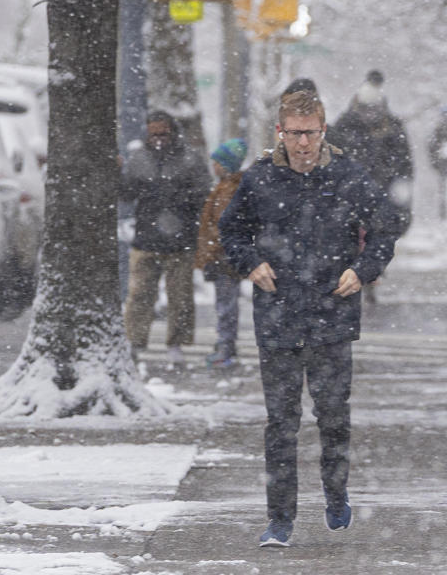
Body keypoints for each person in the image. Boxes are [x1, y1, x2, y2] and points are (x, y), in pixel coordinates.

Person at [218, 88, 406, 548]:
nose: (303, 143)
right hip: (278, 315)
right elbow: (231, 229)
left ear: (323, 131)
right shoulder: (260, 179)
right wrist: (250, 263)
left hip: (332, 313)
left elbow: (385, 226)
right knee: (281, 423)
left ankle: (336, 494)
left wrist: (363, 269)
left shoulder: (347, 176)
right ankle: (280, 518)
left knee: (333, 416)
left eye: (311, 133)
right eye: (295, 133)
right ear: (280, 133)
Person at [120, 110, 211, 365]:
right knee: (139, 294)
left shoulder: (190, 159)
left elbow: (203, 194)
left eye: (163, 134)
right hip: (146, 238)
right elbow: (126, 193)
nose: (159, 139)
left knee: (179, 295)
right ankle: (135, 341)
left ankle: (176, 344)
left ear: (173, 133)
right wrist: (118, 174)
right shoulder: (139, 159)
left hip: (180, 240)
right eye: (154, 134)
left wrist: (177, 197)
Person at [194, 137, 249, 368]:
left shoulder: (227, 190)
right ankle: (225, 345)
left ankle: (226, 347)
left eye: (217, 162)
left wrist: (212, 251)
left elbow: (221, 226)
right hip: (226, 255)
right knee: (226, 303)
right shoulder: (227, 187)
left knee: (225, 305)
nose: (213, 166)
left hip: (224, 257)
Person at [331, 70, 414, 215]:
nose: (370, 114)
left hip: (382, 197)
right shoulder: (344, 126)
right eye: (366, 109)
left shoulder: (393, 128)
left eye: (374, 109)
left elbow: (404, 165)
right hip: (351, 199)